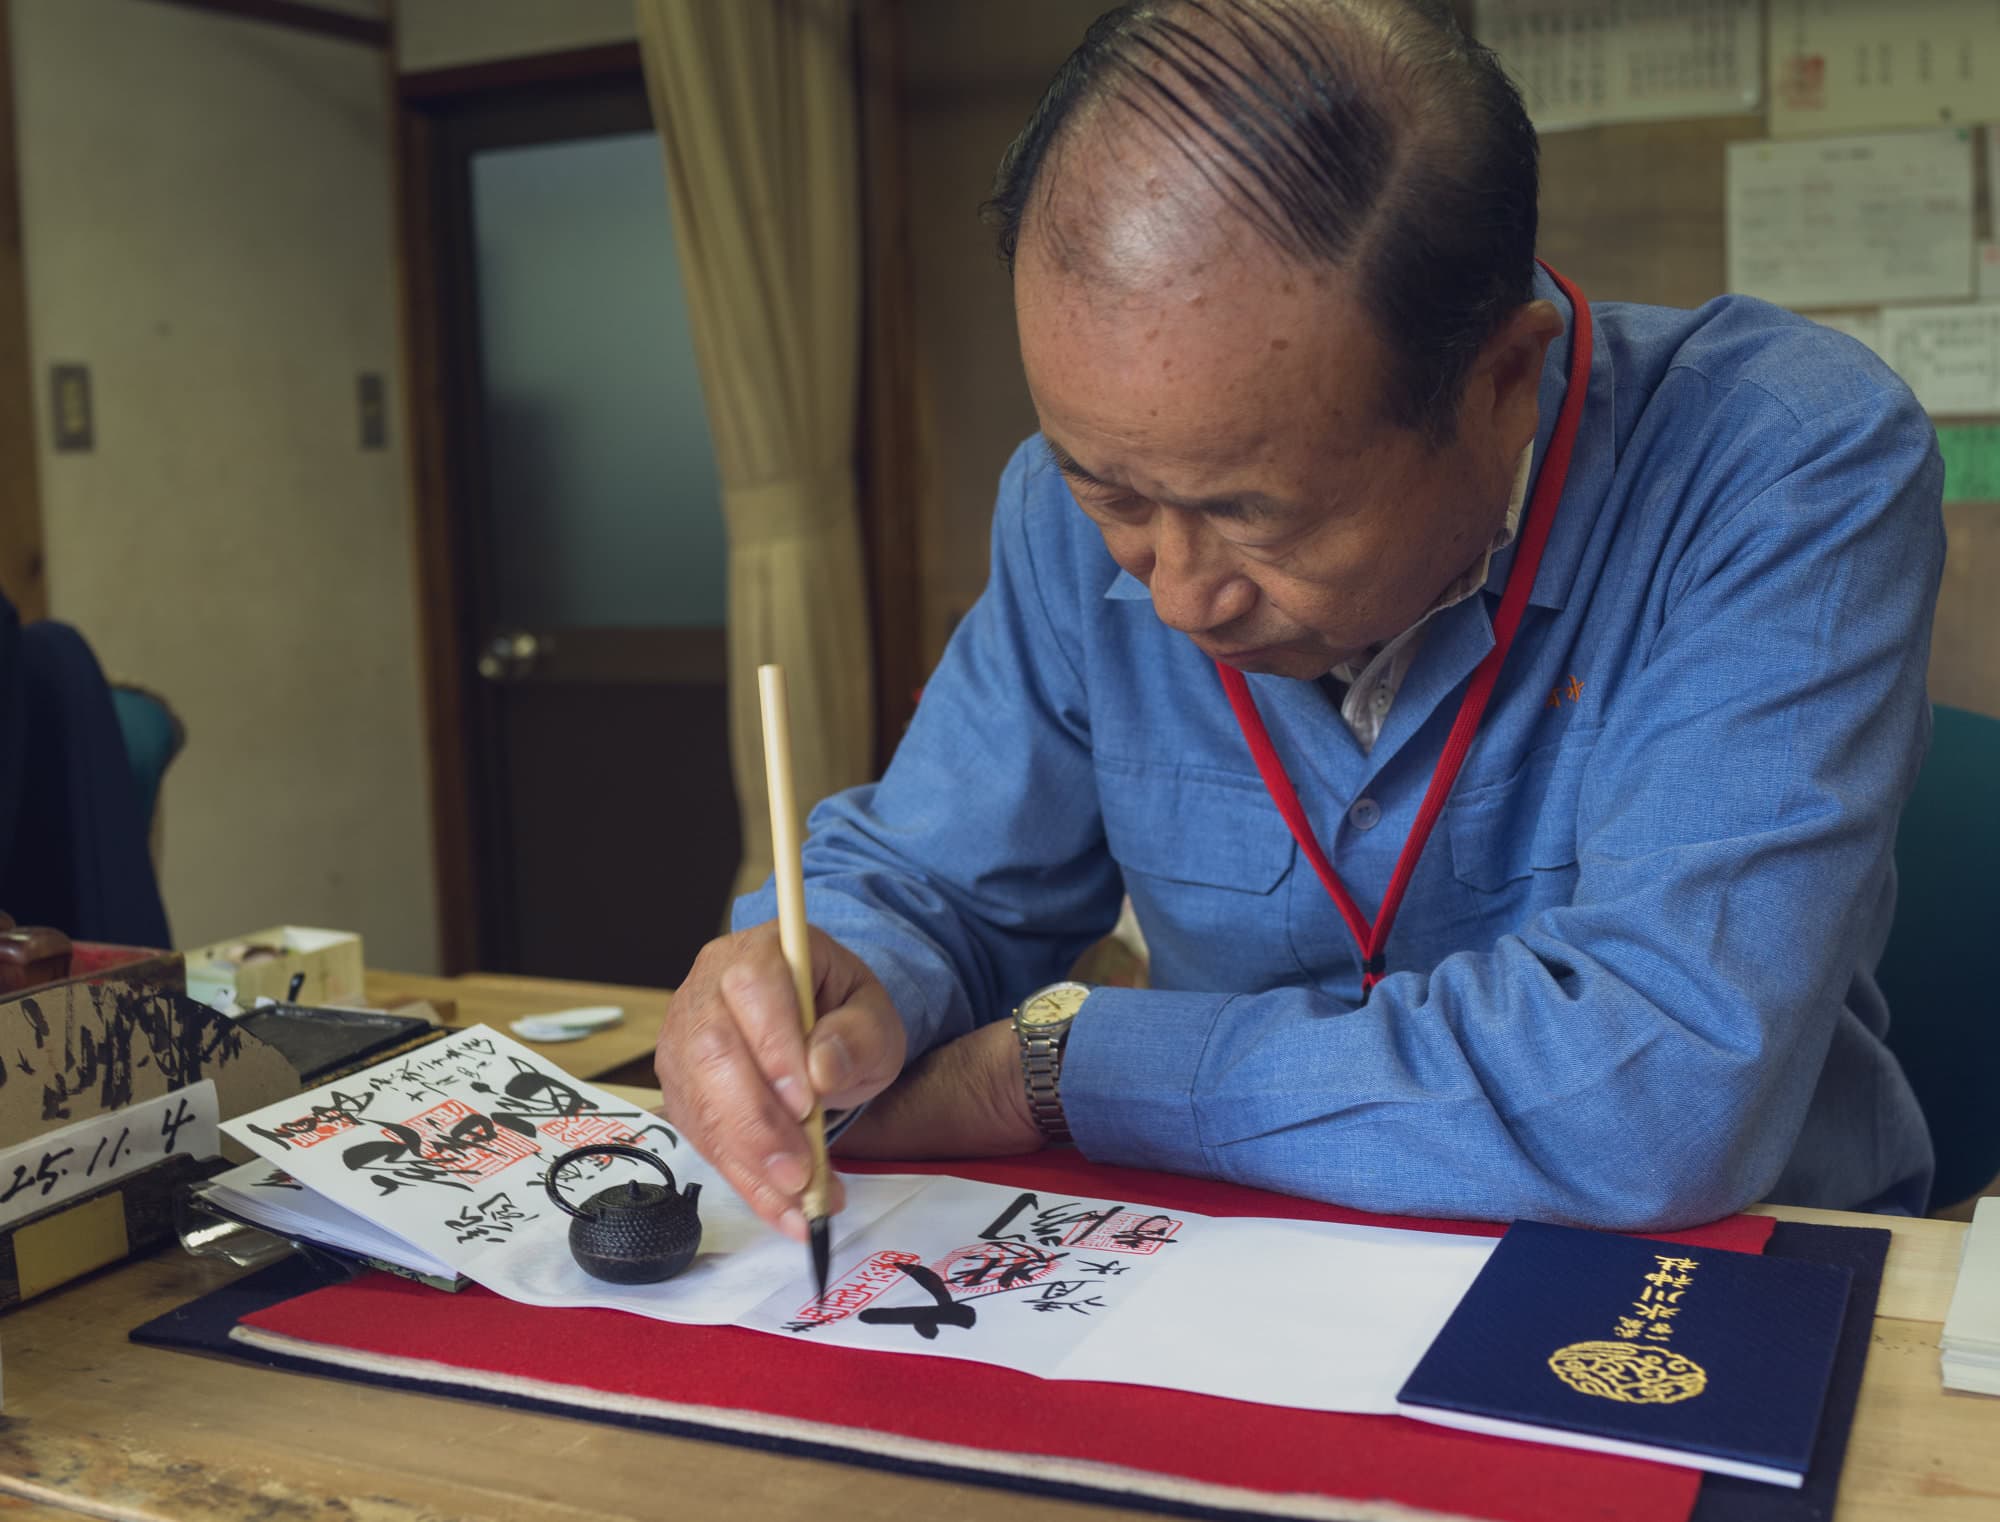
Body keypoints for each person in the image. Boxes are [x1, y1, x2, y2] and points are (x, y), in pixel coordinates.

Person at [654, 0, 1944, 1239]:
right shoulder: (1058, 517)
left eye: (1257, 518)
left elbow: (1657, 1090)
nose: (1175, 593)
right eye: (1111, 492)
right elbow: (942, 880)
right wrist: (830, 970)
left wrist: (1054, 1072)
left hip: (1713, 1279)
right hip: (1253, 1263)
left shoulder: (1779, 465)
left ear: (1500, 382)